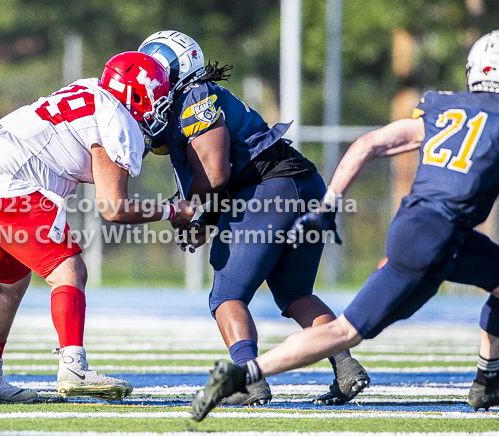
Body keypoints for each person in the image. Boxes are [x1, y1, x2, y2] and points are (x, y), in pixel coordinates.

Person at [190, 29, 499, 421]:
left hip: (422, 228)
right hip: (436, 240)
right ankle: (242, 374)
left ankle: (489, 379)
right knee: (346, 331)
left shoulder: (445, 107)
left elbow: (366, 145)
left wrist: (329, 205)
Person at [0, 51, 195, 404]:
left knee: (8, 285)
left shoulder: (89, 90)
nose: (160, 109)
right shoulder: (115, 117)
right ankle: (73, 366)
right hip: (4, 181)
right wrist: (171, 210)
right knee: (69, 270)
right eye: (158, 99)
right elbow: (113, 208)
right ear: (138, 95)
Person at [138, 30, 369, 406]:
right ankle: (346, 366)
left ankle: (247, 379)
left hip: (270, 189)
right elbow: (225, 177)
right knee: (295, 294)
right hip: (301, 185)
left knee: (227, 294)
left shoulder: (194, 97)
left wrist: (187, 212)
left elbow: (215, 174)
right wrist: (202, 221)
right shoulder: (195, 99)